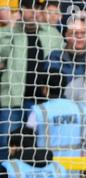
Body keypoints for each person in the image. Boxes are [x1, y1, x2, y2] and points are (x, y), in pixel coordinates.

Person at [0, 0, 64, 160]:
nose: (33, 11)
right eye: (28, 7)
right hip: (12, 100)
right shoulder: (8, 32)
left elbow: (62, 63)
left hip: (43, 102)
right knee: (7, 144)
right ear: (20, 10)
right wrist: (11, 29)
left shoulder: (53, 34)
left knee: (41, 144)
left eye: (37, 7)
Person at [25, 73, 86, 157]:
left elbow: (27, 135)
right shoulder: (81, 109)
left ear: (45, 89)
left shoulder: (39, 111)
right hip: (74, 165)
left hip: (49, 166)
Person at [43, 17, 86, 85]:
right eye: (75, 33)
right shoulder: (54, 58)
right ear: (67, 36)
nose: (79, 36)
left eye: (83, 33)